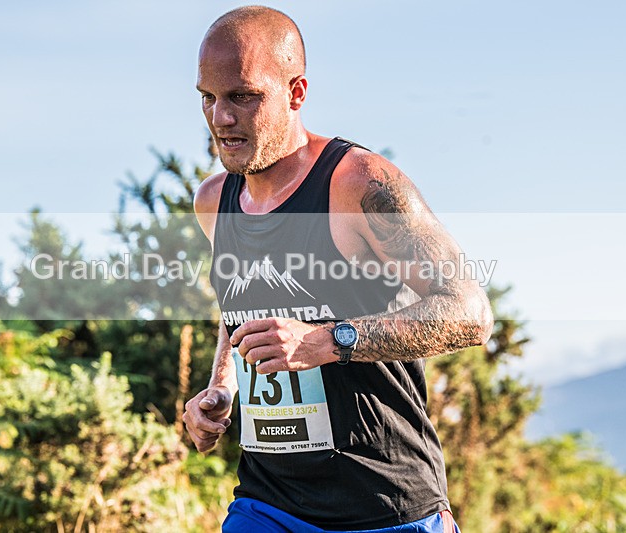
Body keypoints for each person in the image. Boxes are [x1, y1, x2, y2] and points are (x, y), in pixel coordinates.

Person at [182, 6, 493, 532]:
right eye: (208, 98)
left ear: (296, 93)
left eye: (243, 96)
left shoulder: (357, 183)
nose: (221, 118)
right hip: (268, 503)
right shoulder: (215, 201)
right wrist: (223, 384)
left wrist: (326, 341)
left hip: (384, 503)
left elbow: (470, 312)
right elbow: (240, 300)